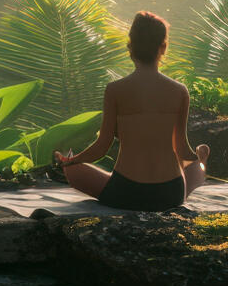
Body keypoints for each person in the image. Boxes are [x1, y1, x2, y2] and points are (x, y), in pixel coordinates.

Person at [54, 11, 210, 211]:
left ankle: (70, 164)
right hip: (171, 194)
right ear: (163, 48)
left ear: (131, 47)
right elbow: (181, 148)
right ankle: (201, 161)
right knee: (196, 167)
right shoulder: (180, 91)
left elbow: (102, 146)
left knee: (74, 170)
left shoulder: (115, 90)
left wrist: (71, 161)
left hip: (126, 192)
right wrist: (199, 156)